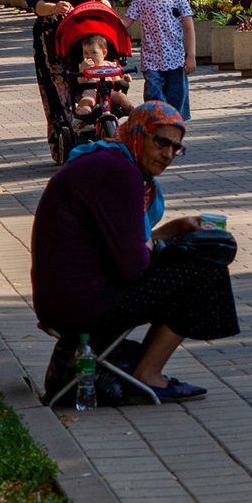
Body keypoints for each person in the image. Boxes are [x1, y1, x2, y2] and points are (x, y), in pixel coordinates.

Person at [31, 103, 224, 403]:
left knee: (189, 261)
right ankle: (147, 374)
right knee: (204, 272)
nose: (169, 154)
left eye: (176, 147)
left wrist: (174, 231)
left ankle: (136, 366)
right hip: (79, 303)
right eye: (161, 142)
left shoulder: (111, 160)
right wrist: (175, 254)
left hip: (66, 298)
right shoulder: (119, 173)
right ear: (138, 134)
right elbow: (135, 266)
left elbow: (123, 243)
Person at [24, 0, 111, 148]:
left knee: (89, 80)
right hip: (54, 38)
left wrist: (103, 4)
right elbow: (34, 3)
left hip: (86, 36)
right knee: (59, 88)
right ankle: (65, 139)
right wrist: (53, 7)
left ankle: (92, 128)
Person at [127, 0, 196, 119]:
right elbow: (126, 24)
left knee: (175, 102)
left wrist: (191, 55)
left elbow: (189, 28)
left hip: (176, 60)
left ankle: (173, 132)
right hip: (152, 60)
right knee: (154, 99)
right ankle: (156, 131)